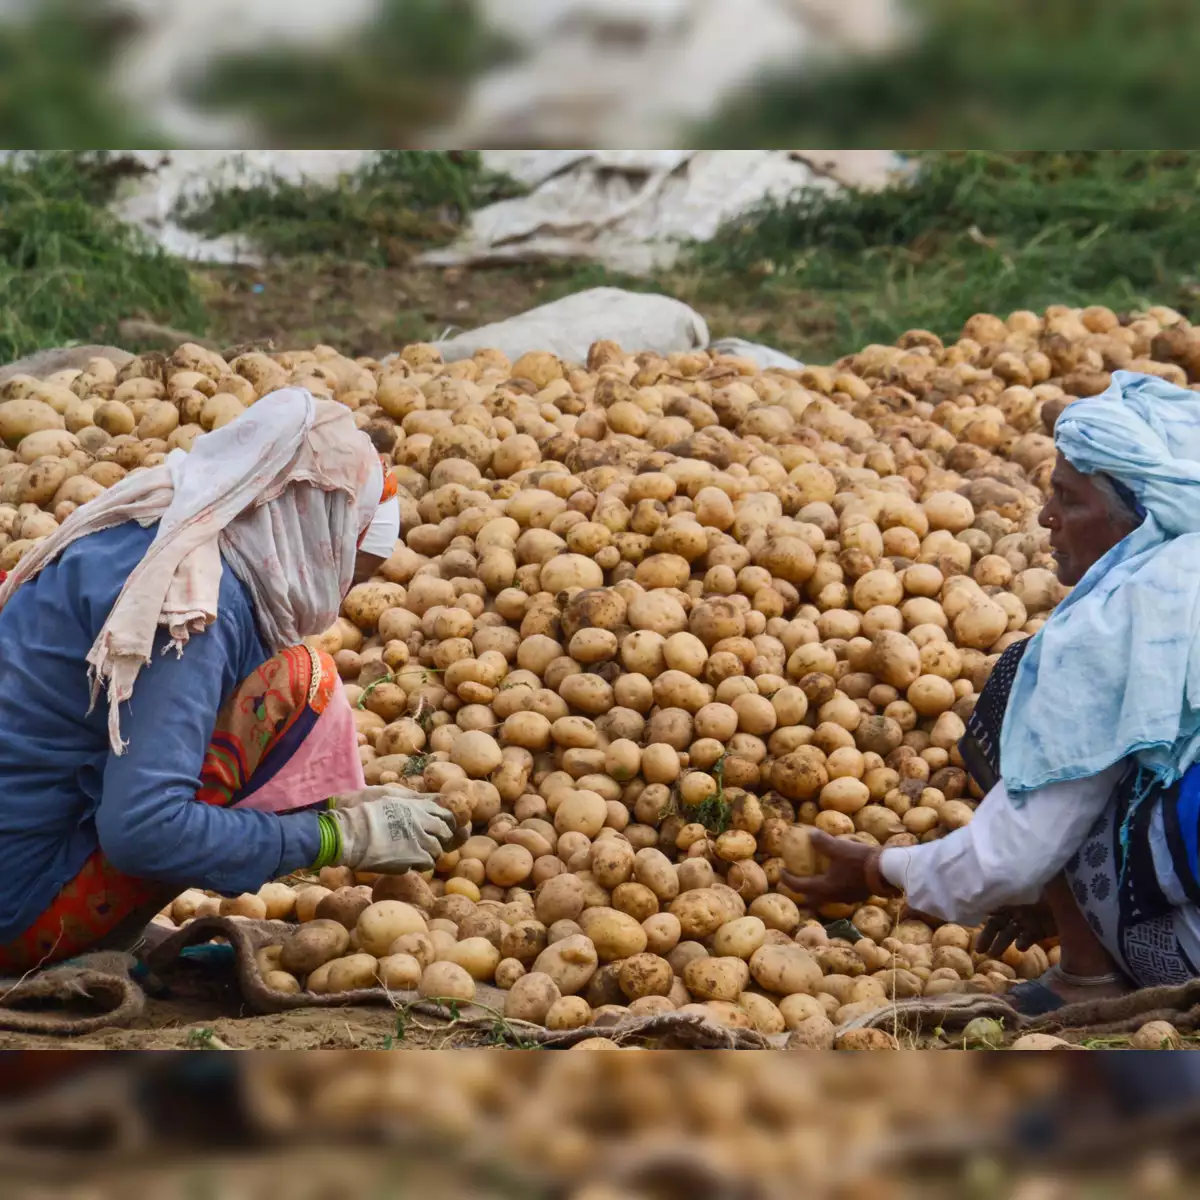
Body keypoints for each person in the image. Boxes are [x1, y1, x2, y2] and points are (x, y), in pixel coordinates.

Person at [783, 369, 1200, 1015]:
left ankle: (1088, 975)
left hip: (1186, 961)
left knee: (1017, 683)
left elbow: (1010, 858)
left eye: (1070, 499)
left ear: (1135, 520)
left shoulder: (1115, 626)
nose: (1046, 516)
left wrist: (872, 871)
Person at [0, 388, 457, 974]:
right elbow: (142, 830)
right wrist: (333, 837)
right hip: (17, 915)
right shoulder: (193, 604)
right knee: (299, 680)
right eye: (347, 568)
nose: (340, 597)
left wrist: (341, 805)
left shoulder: (151, 517)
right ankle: (88, 935)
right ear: (311, 528)